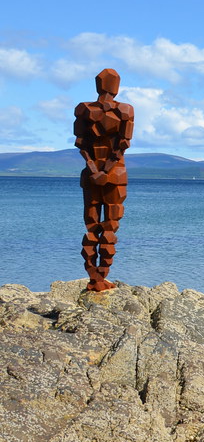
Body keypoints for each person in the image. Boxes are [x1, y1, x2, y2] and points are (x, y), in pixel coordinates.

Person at [73, 68, 134, 292]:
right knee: (109, 227)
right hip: (114, 175)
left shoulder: (83, 109)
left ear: (98, 85)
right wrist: (106, 171)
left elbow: (80, 145)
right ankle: (101, 277)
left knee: (91, 226)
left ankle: (93, 278)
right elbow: (122, 145)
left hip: (91, 175)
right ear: (116, 86)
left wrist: (93, 169)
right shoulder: (125, 111)